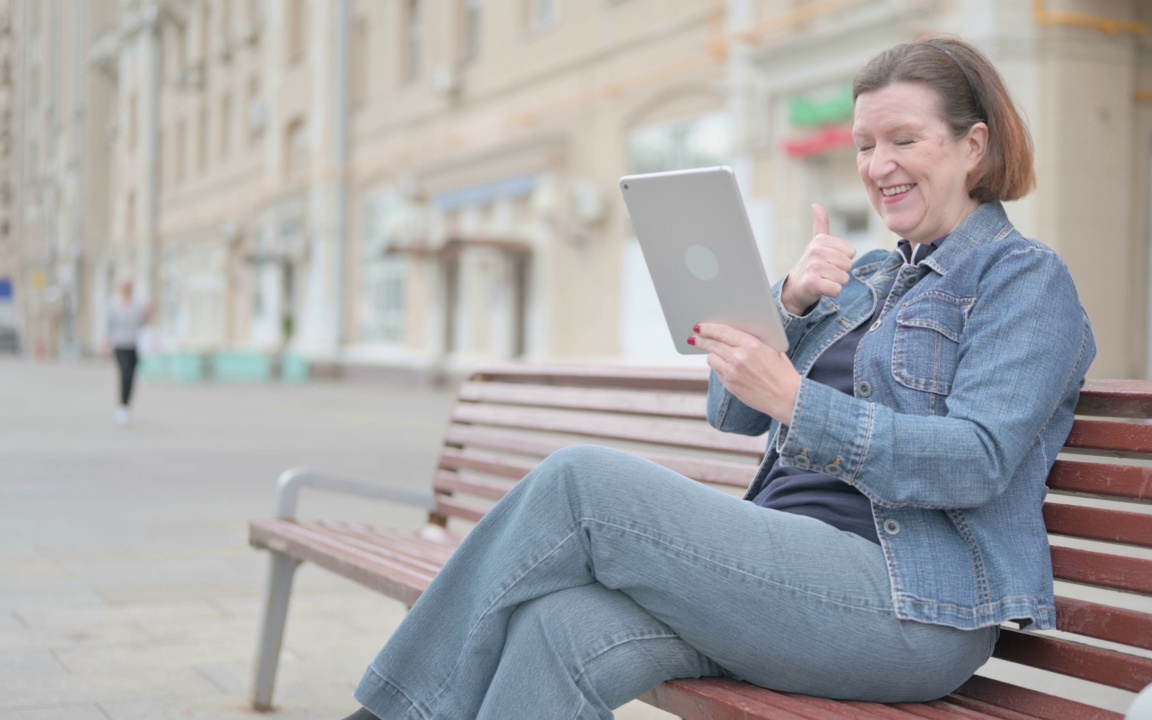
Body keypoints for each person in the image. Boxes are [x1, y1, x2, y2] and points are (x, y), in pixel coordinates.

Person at [342, 35, 1095, 720]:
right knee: (557, 627)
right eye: (864, 144)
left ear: (974, 146)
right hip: (783, 576)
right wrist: (789, 304)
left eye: (904, 140)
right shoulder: (861, 278)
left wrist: (797, 400)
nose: (877, 165)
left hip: (913, 604)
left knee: (580, 484)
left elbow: (978, 460)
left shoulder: (1023, 279)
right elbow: (729, 413)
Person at [104, 280, 151, 425]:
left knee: (131, 376)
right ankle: (122, 407)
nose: (128, 288)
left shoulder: (136, 304)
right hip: (119, 345)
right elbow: (108, 324)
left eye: (130, 286)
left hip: (133, 345)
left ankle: (127, 406)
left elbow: (141, 322)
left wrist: (148, 313)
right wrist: (105, 343)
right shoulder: (114, 304)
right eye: (125, 286)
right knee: (124, 373)